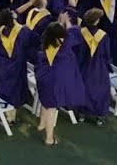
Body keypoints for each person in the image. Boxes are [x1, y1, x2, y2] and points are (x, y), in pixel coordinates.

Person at [35, 14, 86, 146]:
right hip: (55, 80)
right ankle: (49, 138)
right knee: (52, 108)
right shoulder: (65, 46)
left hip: (43, 77)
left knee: (45, 102)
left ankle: (41, 124)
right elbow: (74, 33)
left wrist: (58, 24)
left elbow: (58, 33)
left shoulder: (44, 42)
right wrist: (67, 23)